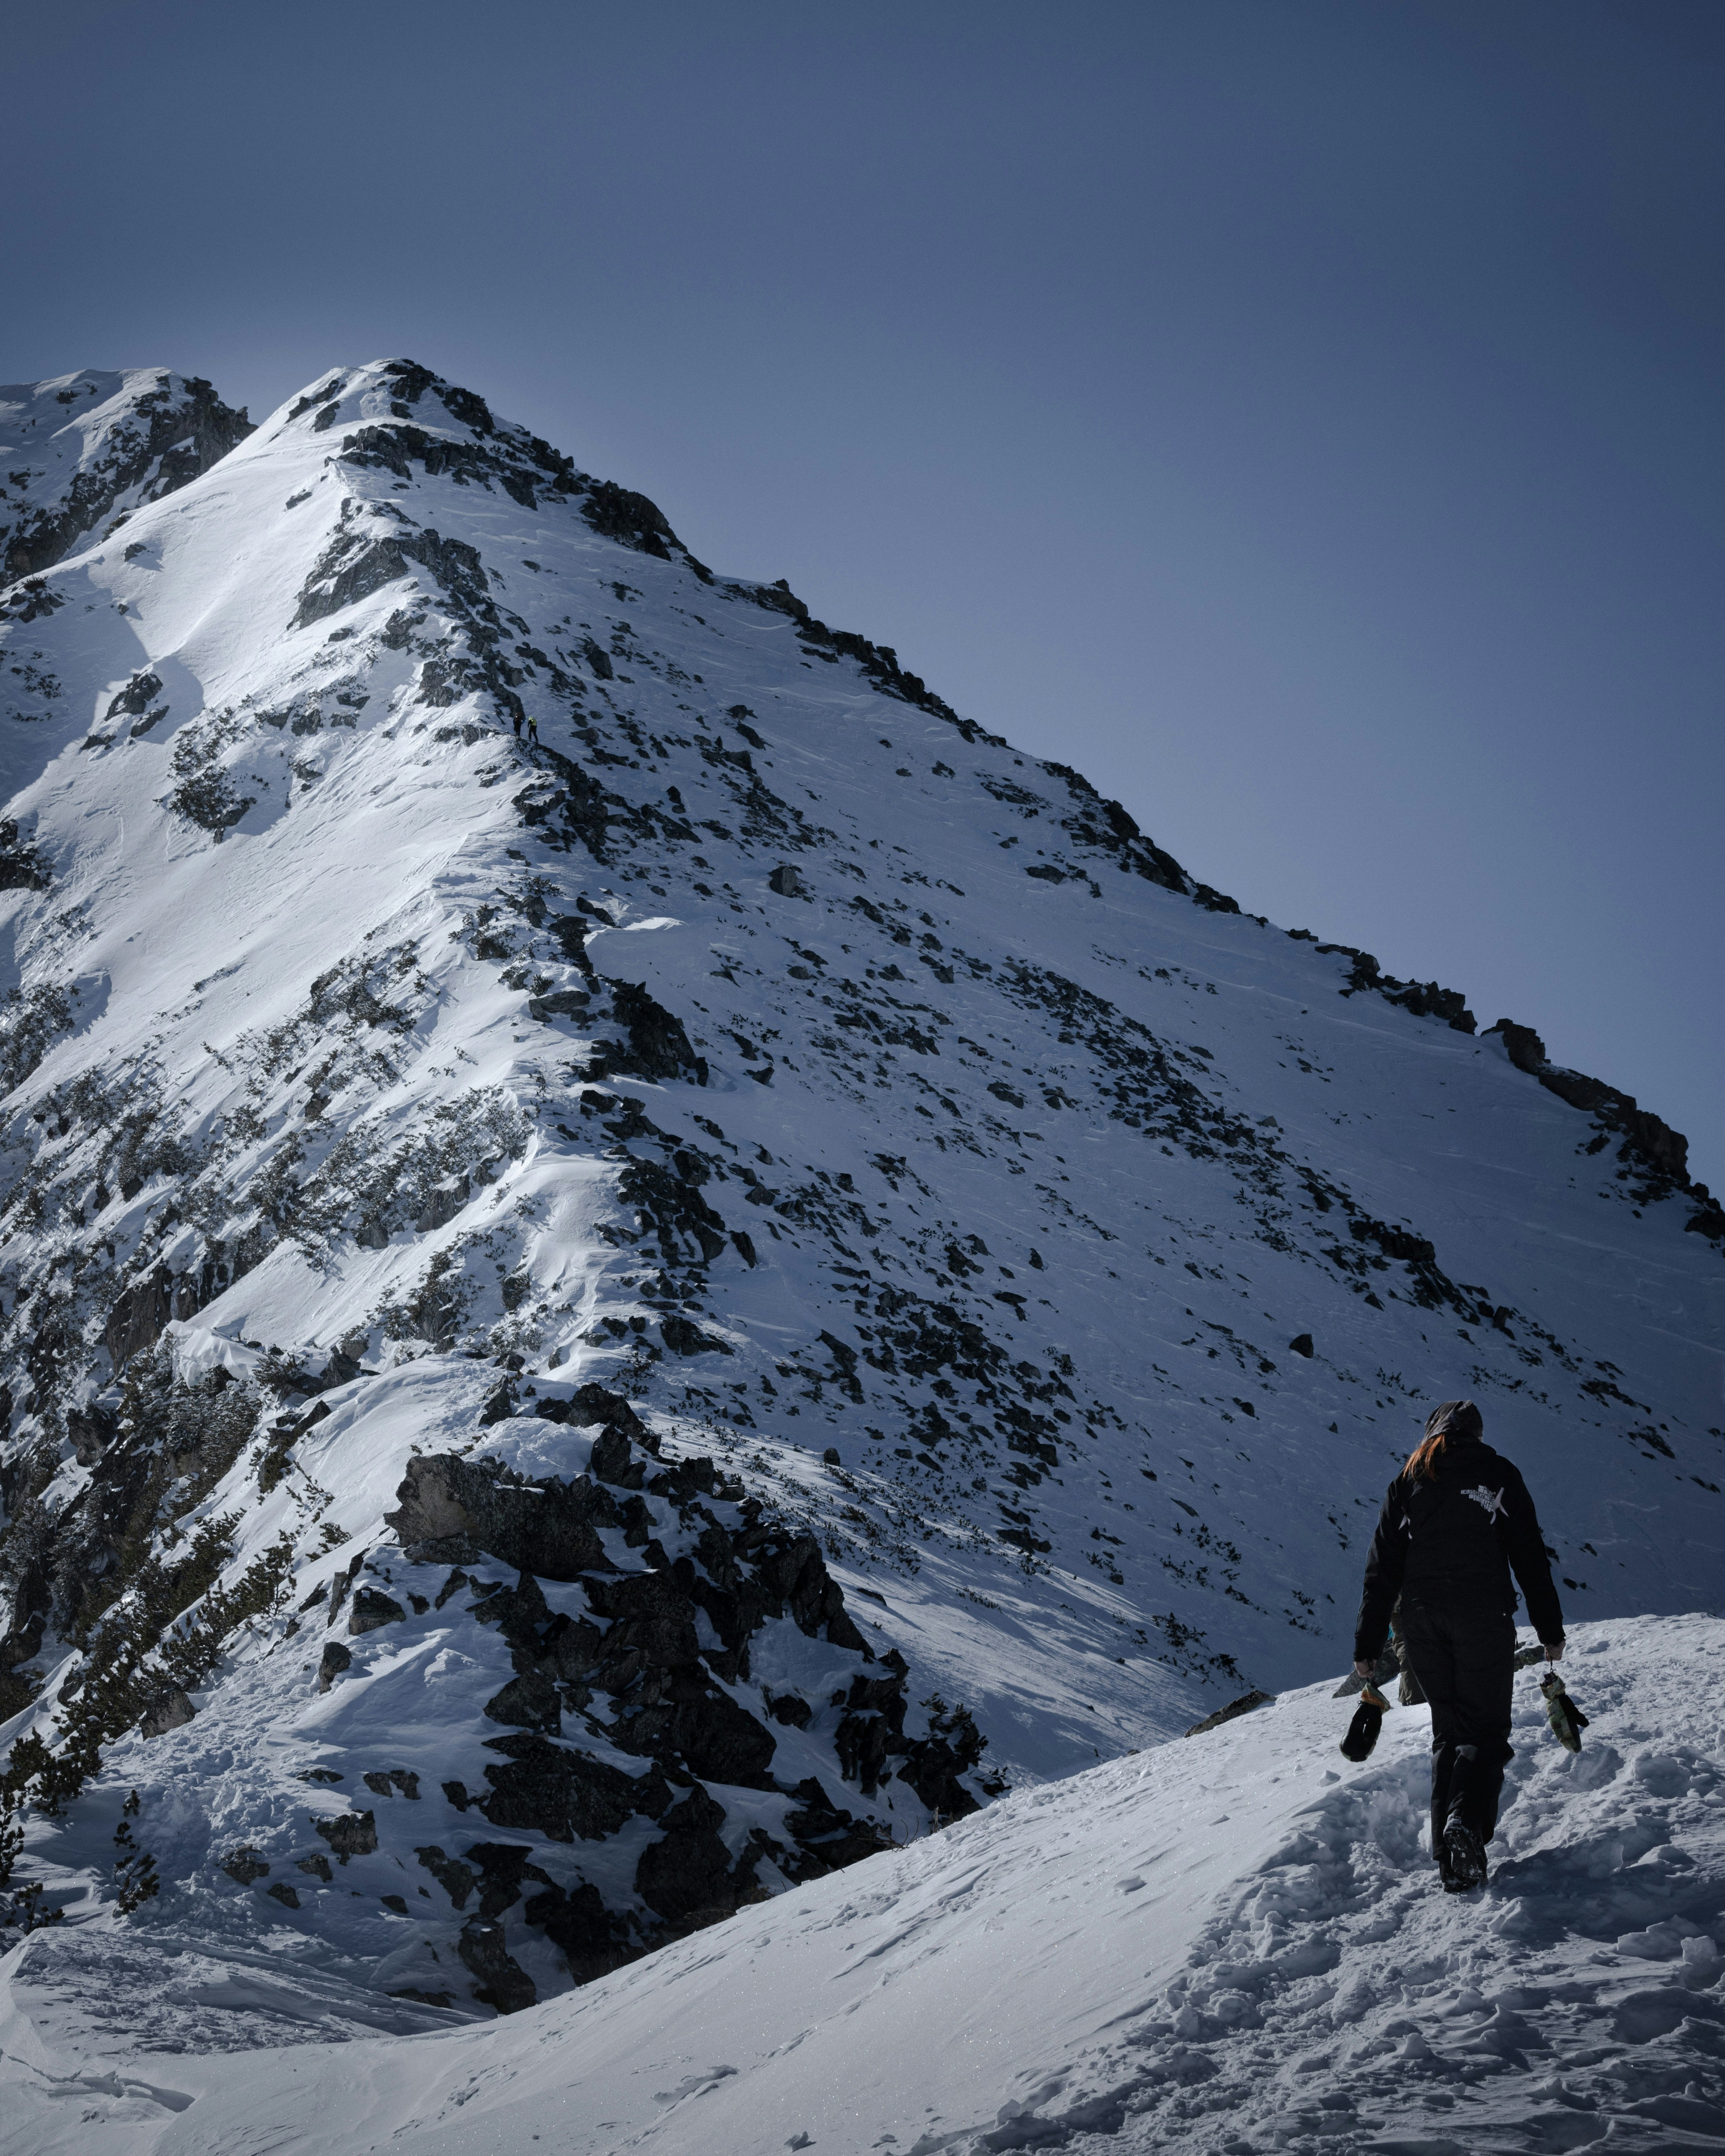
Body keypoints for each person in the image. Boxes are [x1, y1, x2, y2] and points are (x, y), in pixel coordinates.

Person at [1353, 1399, 1563, 1893]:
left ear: (1432, 1431)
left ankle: (1450, 1862)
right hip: (1481, 1616)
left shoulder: (1408, 1480)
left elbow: (1380, 1570)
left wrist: (1366, 1645)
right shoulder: (1497, 1474)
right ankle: (1465, 1826)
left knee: (1448, 1733)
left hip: (1422, 1622)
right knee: (1484, 1730)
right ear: (1476, 1432)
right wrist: (1549, 1631)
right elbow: (1529, 1556)